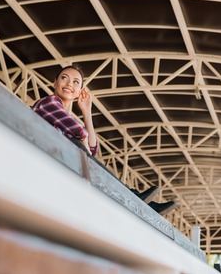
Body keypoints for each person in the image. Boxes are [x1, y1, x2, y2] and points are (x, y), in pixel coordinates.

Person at [32, 65, 177, 215]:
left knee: (82, 152)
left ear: (79, 92)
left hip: (58, 166)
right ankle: (135, 197)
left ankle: (147, 205)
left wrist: (87, 112)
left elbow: (92, 150)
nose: (69, 84)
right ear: (55, 83)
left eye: (76, 82)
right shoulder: (48, 102)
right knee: (78, 147)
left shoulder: (61, 119)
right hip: (41, 160)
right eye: (64, 78)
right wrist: (83, 143)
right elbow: (80, 133)